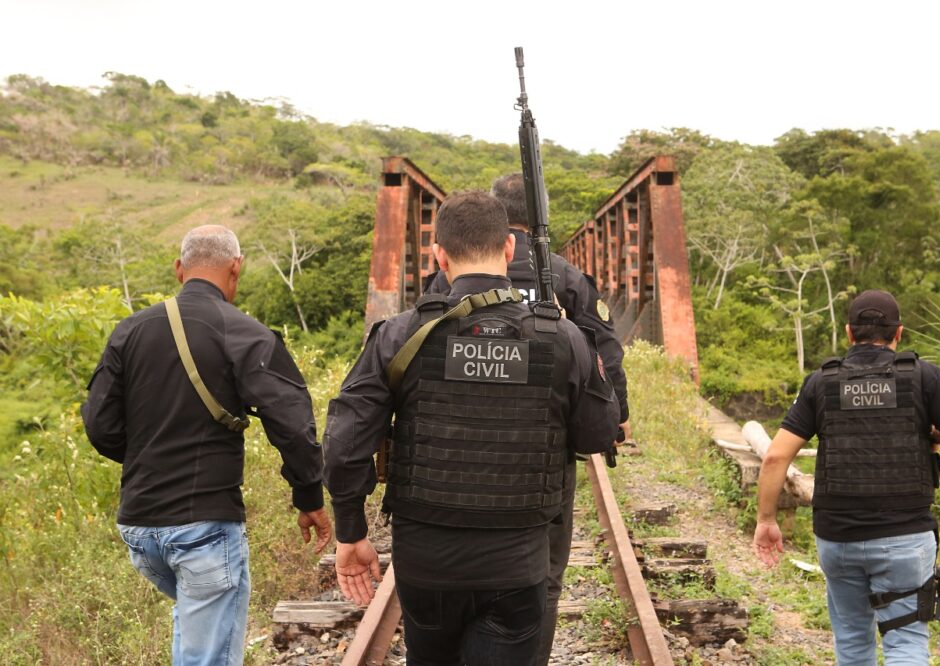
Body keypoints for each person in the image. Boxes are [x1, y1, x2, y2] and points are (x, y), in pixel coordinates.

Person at [324, 191, 620, 665]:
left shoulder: (399, 334)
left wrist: (351, 531)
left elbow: (345, 443)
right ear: (509, 248)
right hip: (518, 564)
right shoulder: (561, 336)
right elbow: (597, 435)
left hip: (425, 563)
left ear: (438, 256)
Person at [82, 225, 332, 666]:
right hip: (203, 529)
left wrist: (150, 458)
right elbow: (292, 424)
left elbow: (100, 426)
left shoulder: (129, 330)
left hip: (140, 530)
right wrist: (309, 496)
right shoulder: (245, 333)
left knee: (194, 632)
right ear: (236, 267)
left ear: (179, 269)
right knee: (207, 654)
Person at [424, 174, 630, 663]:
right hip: (543, 450)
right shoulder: (565, 276)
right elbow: (604, 348)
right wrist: (617, 416)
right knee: (544, 576)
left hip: (458, 444)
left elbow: (422, 341)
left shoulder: (448, 277)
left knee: (450, 569)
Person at [753, 289, 940, 665]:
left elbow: (776, 456)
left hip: (838, 538)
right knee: (906, 642)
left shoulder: (821, 382)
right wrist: (935, 434)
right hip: (906, 537)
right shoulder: (924, 377)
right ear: (899, 333)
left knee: (852, 642)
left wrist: (766, 520)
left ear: (849, 333)